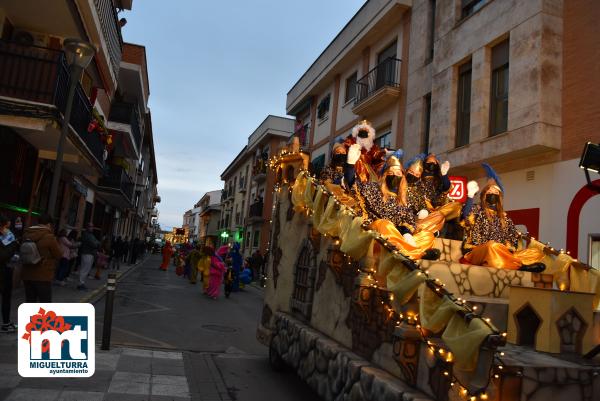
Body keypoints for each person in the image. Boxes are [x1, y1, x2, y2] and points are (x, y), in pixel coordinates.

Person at [460, 164, 545, 271]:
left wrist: (508, 249)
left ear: (499, 197)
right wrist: (470, 196)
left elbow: (512, 238)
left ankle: (507, 260)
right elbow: (465, 216)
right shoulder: (477, 209)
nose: (492, 194)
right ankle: (519, 266)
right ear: (484, 195)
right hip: (478, 251)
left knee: (535, 252)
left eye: (496, 192)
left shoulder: (504, 217)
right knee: (492, 246)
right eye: (489, 192)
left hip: (502, 253)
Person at [21, 214, 62, 302]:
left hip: (27, 274)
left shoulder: (26, 234)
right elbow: (58, 255)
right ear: (48, 224)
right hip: (43, 275)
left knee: (30, 301)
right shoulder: (49, 237)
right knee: (45, 303)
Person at [0, 215, 19, 332]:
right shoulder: (8, 237)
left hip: (5, 270)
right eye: (8, 222)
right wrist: (14, 244)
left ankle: (6, 323)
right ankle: (6, 324)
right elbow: (3, 256)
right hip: (3, 271)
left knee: (6, 297)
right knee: (6, 297)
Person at [78, 223, 99, 290]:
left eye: (92, 226)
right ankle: (81, 283)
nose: (92, 228)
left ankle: (82, 283)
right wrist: (96, 243)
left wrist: (96, 243)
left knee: (86, 269)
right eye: (90, 226)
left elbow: (97, 242)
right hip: (87, 253)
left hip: (90, 253)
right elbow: (94, 244)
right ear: (87, 227)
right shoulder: (87, 235)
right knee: (84, 269)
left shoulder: (91, 235)